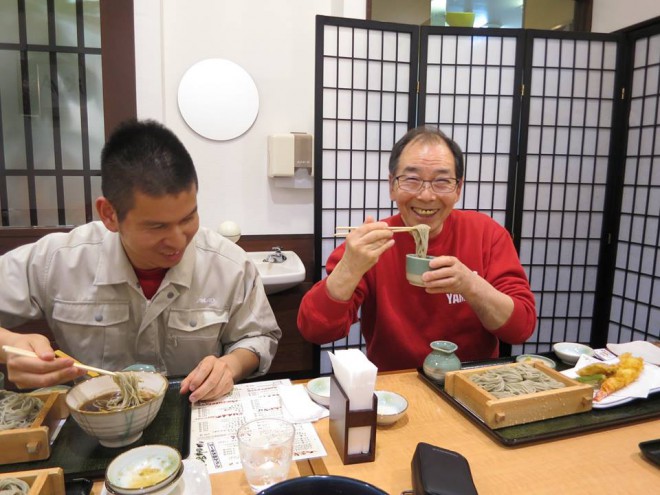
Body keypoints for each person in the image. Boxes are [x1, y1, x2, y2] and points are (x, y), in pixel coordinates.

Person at [0, 119, 281, 402]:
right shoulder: (58, 260)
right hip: (96, 422)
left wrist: (229, 367)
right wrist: (10, 345)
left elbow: (258, 337)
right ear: (109, 214)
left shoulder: (228, 264)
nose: (178, 240)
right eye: (157, 227)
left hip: (190, 414)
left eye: (188, 218)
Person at [297, 126, 536, 371]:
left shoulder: (487, 234)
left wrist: (470, 285)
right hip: (396, 386)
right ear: (392, 185)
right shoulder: (372, 244)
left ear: (458, 189)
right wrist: (349, 267)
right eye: (412, 180)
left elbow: (520, 328)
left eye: (442, 181)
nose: (426, 196)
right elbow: (315, 330)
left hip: (472, 383)